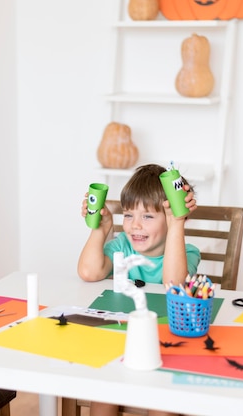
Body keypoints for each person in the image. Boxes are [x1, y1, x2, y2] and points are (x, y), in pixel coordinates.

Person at [78, 163, 200, 416]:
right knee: (103, 395)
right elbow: (89, 272)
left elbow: (173, 285)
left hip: (167, 348)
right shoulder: (122, 246)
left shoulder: (186, 253)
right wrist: (100, 231)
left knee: (162, 404)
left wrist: (177, 224)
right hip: (119, 345)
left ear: (167, 218)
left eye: (147, 216)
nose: (135, 225)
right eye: (129, 214)